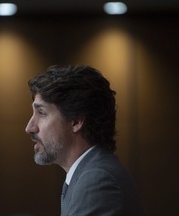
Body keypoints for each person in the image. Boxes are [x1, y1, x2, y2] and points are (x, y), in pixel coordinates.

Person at [25, 65, 144, 216]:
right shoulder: (87, 174)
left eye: (41, 113)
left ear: (76, 121)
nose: (30, 127)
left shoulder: (97, 180)